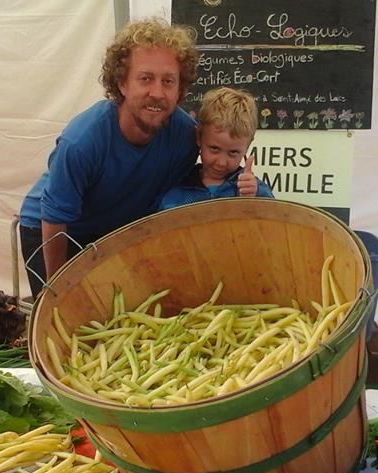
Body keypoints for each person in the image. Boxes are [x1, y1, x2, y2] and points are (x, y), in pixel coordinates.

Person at [18, 19, 257, 299]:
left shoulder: (184, 137)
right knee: (65, 321)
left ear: (180, 89)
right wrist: (57, 294)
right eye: (145, 79)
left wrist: (248, 185)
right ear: (121, 83)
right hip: (52, 230)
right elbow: (55, 221)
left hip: (111, 230)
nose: (157, 92)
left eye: (168, 81)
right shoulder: (82, 141)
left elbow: (206, 182)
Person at [159, 87, 273, 210]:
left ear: (248, 146)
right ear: (198, 137)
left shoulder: (252, 189)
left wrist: (252, 199)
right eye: (214, 149)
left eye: (233, 152)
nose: (221, 162)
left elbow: (274, 220)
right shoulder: (178, 189)